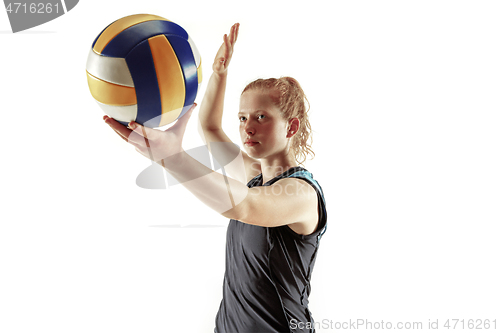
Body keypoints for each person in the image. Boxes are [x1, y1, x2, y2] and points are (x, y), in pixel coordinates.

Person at [104, 23, 327, 333]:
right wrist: (218, 74)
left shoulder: (301, 195)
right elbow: (209, 127)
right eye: (242, 117)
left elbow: (246, 207)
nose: (248, 127)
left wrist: (172, 158)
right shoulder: (254, 177)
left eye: (261, 117)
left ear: (290, 127)